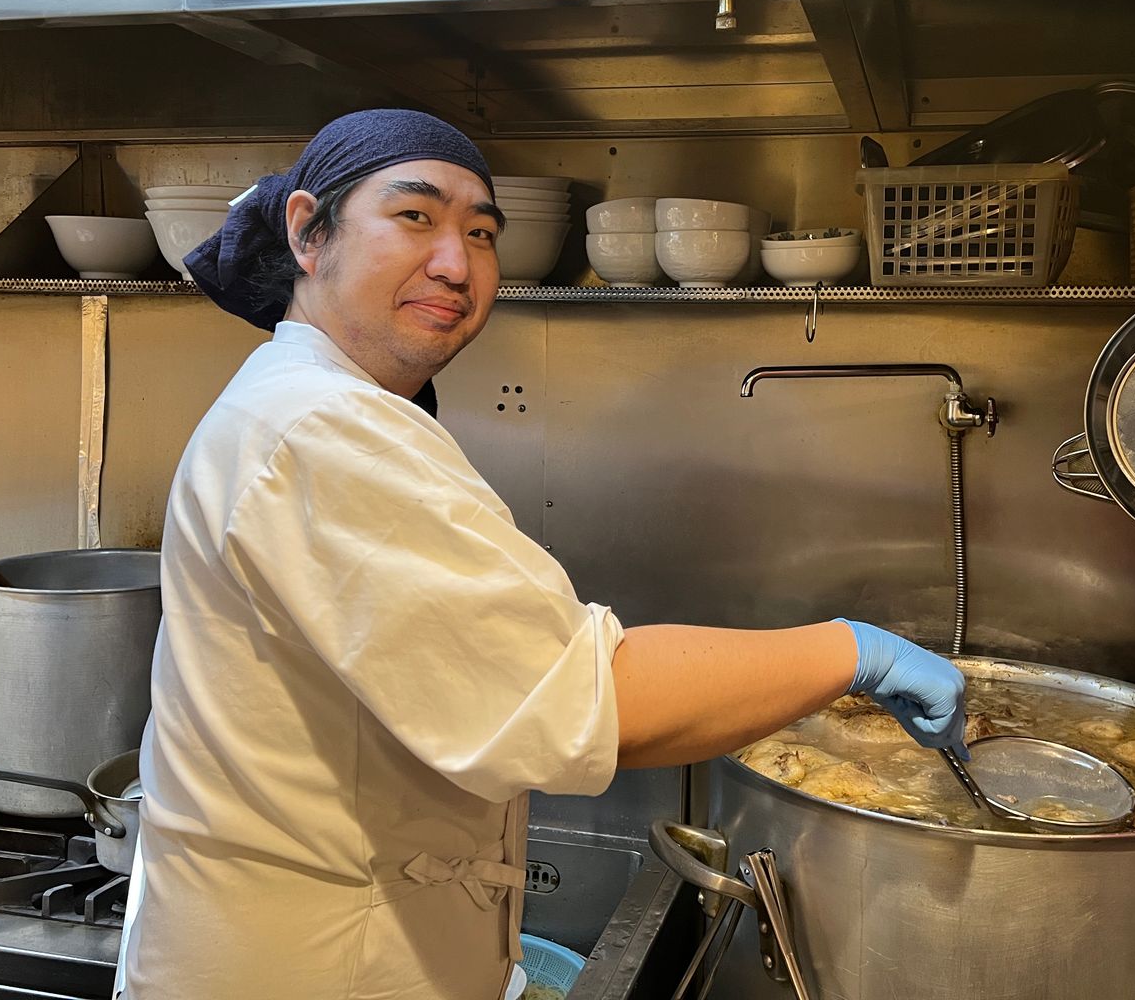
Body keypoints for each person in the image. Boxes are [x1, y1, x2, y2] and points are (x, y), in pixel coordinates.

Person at [118, 110, 967, 999]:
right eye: (415, 217)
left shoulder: (314, 406)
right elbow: (582, 701)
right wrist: (854, 651)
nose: (456, 263)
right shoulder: (322, 428)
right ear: (307, 231)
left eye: (481, 233)